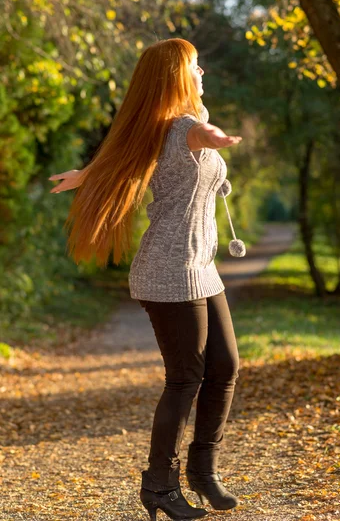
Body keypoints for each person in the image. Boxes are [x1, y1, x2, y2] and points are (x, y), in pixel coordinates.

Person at [49, 38, 243, 521]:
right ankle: (160, 483)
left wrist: (89, 173)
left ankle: (203, 470)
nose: (203, 74)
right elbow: (198, 134)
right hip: (169, 271)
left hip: (201, 267)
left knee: (226, 369)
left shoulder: (158, 129)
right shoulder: (182, 129)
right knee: (185, 379)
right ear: (178, 75)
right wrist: (214, 136)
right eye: (197, 67)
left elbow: (131, 156)